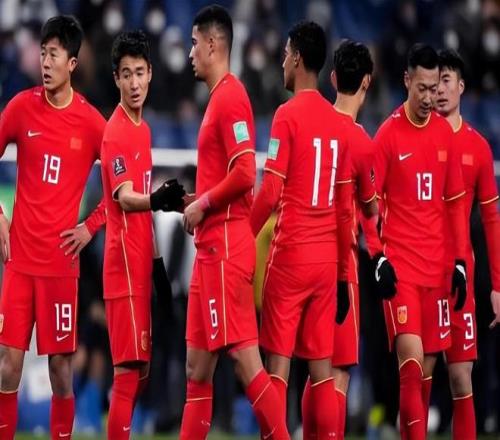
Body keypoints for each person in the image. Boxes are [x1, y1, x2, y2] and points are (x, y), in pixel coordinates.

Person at [181, 5, 289, 439]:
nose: (190, 53)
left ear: (212, 44)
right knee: (196, 367)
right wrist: (197, 201)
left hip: (225, 247)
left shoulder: (231, 97)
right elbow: (229, 175)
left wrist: (204, 203)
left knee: (246, 363)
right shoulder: (217, 99)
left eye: (193, 43)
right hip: (209, 247)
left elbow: (246, 172)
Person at [0, 16, 106, 439]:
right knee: (8, 364)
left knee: (61, 371)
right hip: (20, 261)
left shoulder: (91, 122)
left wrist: (90, 227)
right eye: (43, 53)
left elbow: (124, 185)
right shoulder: (20, 107)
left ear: (72, 63)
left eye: (54, 54)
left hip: (61, 267)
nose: (45, 62)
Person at [250, 21, 353, 439]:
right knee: (322, 371)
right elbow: (344, 209)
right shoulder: (338, 123)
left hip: (291, 255)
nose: (281, 61)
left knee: (277, 367)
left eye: (285, 53)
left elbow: (271, 190)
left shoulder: (286, 115)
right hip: (326, 262)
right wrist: (343, 273)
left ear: (296, 58)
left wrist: (242, 234)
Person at [370, 43, 468, 440]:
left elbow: (456, 204)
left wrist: (459, 262)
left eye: (435, 88)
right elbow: (368, 205)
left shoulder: (445, 134)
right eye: (422, 88)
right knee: (410, 366)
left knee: (425, 374)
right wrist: (377, 256)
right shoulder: (387, 136)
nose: (430, 97)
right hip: (402, 272)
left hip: (437, 272)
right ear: (407, 81)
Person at [100, 30, 184, 439]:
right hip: (121, 269)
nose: (134, 83)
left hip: (140, 267)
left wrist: (158, 268)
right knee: (128, 374)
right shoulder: (115, 132)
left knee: (142, 372)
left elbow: (145, 209)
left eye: (139, 73)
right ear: (116, 78)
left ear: (150, 73)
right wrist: (157, 200)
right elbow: (126, 198)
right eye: (126, 74)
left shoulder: (144, 129)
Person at [435, 48, 500, 440]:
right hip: (421, 272)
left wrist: (497, 286)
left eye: (447, 81)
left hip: (462, 277)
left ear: (461, 86)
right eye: (435, 82)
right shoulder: (416, 136)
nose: (440, 90)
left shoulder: (478, 147)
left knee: (462, 376)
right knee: (418, 373)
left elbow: (491, 219)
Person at [326, 39, 378, 440]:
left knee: (311, 368)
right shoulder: (362, 142)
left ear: (332, 79)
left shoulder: (314, 125)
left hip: (302, 256)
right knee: (339, 372)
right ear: (367, 82)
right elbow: (372, 209)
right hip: (342, 265)